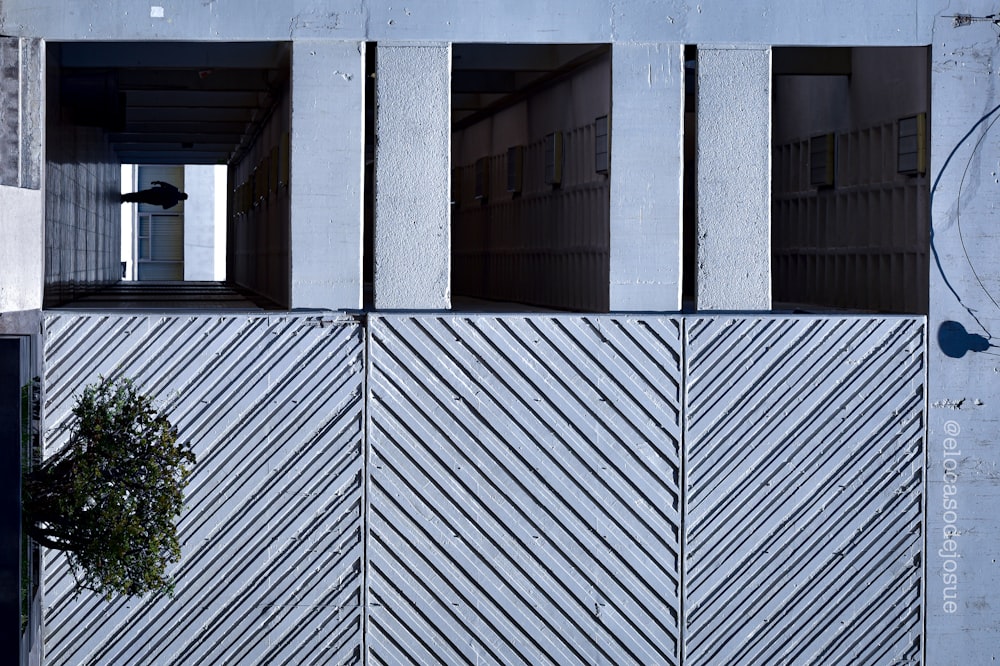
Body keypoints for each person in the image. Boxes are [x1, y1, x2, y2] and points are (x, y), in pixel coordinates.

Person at [120, 181, 189, 209]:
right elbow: (165, 207)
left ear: (182, 193)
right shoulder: (174, 202)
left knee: (139, 194)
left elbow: (165, 184)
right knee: (139, 199)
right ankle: (126, 199)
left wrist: (157, 182)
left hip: (155, 192)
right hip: (155, 200)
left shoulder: (175, 190)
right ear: (181, 199)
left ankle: (124, 196)